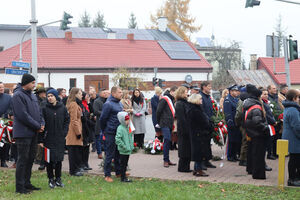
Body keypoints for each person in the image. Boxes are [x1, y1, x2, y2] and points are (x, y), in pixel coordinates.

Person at [12, 74, 45, 194]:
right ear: (26, 83)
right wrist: (37, 126)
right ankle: (20, 187)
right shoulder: (18, 95)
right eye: (32, 83)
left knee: (31, 158)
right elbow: (22, 115)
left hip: (33, 132)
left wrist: (41, 123)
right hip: (23, 133)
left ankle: (27, 183)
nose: (34, 85)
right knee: (23, 159)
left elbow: (39, 111)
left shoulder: (32, 95)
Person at [41, 89, 69, 188]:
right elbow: (41, 123)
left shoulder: (63, 108)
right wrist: (41, 139)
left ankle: (58, 178)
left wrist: (64, 132)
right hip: (48, 138)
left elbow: (66, 120)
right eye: (48, 96)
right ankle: (50, 179)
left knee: (58, 159)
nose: (50, 98)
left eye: (52, 96)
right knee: (49, 160)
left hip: (59, 138)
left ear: (56, 97)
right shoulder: (44, 108)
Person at [243, 84, 269, 179]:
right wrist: (266, 128)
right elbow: (257, 122)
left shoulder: (248, 104)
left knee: (253, 153)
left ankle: (252, 170)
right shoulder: (256, 107)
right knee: (259, 155)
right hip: (258, 134)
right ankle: (258, 174)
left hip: (251, 133)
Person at [100, 86, 123, 182]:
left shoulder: (119, 103)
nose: (121, 93)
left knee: (118, 153)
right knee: (109, 154)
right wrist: (105, 130)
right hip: (110, 132)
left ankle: (118, 172)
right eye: (119, 92)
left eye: (121, 92)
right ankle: (107, 175)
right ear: (113, 94)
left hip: (118, 132)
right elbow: (102, 119)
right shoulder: (108, 104)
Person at [187, 94, 211, 177]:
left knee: (199, 151)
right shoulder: (195, 110)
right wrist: (208, 124)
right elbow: (202, 121)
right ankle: (198, 170)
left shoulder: (195, 108)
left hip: (198, 133)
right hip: (198, 133)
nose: (202, 100)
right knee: (199, 152)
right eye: (200, 99)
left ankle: (196, 168)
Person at [282, 89, 300, 187]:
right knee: (294, 160)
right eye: (298, 97)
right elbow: (297, 126)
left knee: (295, 159)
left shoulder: (290, 107)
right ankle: (292, 179)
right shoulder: (293, 109)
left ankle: (295, 178)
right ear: (294, 98)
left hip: (292, 137)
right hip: (294, 138)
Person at [156, 86, 177, 168]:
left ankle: (167, 159)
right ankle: (165, 160)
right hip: (164, 123)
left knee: (168, 141)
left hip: (170, 123)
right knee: (167, 140)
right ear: (172, 91)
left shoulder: (171, 99)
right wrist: (159, 122)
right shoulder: (165, 99)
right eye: (175, 92)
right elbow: (158, 111)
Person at [66, 88, 84, 176]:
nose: (82, 95)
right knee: (74, 152)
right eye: (80, 93)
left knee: (75, 152)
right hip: (73, 132)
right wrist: (78, 133)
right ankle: (73, 170)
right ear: (75, 94)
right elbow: (74, 120)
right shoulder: (73, 104)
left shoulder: (74, 104)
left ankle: (75, 169)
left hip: (74, 130)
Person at [199, 81, 216, 168]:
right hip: (203, 124)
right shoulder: (200, 97)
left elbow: (210, 110)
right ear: (204, 87)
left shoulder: (208, 97)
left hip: (209, 124)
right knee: (203, 144)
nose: (210, 88)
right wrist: (207, 120)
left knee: (208, 143)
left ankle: (207, 160)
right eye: (209, 86)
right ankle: (201, 161)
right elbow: (202, 111)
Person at [224, 84, 242, 162]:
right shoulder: (228, 100)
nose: (237, 92)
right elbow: (228, 113)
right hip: (232, 123)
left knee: (236, 140)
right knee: (231, 140)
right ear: (231, 91)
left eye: (237, 91)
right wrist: (230, 123)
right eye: (235, 91)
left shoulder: (235, 99)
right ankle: (230, 156)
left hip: (237, 123)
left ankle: (234, 155)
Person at [175, 86, 191, 172]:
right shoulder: (180, 104)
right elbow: (181, 118)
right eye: (185, 92)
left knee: (187, 148)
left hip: (187, 127)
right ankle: (182, 167)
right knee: (184, 149)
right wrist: (186, 129)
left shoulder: (185, 102)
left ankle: (186, 167)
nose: (187, 93)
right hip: (183, 129)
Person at [115, 111, 134, 182]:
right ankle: (123, 178)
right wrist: (124, 146)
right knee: (123, 165)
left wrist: (131, 146)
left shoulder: (127, 127)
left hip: (127, 150)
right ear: (122, 120)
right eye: (126, 120)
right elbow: (118, 139)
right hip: (123, 150)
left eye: (128, 119)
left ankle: (124, 177)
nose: (128, 121)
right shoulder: (120, 128)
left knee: (125, 164)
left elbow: (130, 137)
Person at [260, 88, 277, 161]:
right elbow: (266, 114)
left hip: (270, 123)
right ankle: (269, 154)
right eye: (264, 94)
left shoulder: (267, 102)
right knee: (269, 140)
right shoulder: (262, 103)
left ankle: (270, 153)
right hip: (268, 123)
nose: (266, 96)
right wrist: (273, 121)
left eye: (267, 94)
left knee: (271, 139)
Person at [234, 87, 249, 166]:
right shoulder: (242, 100)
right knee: (245, 142)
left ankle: (244, 158)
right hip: (243, 124)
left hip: (244, 123)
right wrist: (238, 123)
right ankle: (242, 159)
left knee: (245, 141)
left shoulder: (244, 99)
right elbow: (238, 113)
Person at [34, 86, 47, 171]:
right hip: (39, 124)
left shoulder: (42, 101)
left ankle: (40, 159)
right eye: (43, 93)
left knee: (41, 142)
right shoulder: (38, 102)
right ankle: (38, 158)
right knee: (39, 142)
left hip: (41, 123)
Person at [80, 92, 94, 171]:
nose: (88, 97)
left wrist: (89, 103)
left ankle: (86, 163)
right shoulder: (82, 105)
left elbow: (91, 112)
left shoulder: (87, 104)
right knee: (84, 147)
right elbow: (85, 117)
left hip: (88, 127)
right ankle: (83, 163)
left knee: (87, 146)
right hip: (84, 127)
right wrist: (91, 123)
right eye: (87, 96)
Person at [0, 82, 12, 168]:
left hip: (5, 122)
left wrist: (6, 115)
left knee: (4, 143)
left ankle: (3, 161)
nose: (2, 89)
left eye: (2, 87)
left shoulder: (8, 97)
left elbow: (11, 108)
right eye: (0, 87)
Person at [93, 89, 106, 159]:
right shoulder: (96, 101)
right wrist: (105, 113)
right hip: (99, 122)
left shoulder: (107, 101)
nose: (105, 94)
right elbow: (95, 111)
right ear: (100, 93)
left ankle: (105, 151)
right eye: (104, 93)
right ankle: (99, 152)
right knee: (98, 138)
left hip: (106, 122)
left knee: (105, 138)